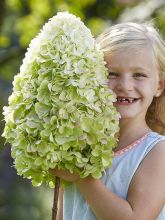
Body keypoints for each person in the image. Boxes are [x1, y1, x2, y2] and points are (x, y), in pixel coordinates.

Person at [50, 22, 165, 220]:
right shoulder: (77, 145)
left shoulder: (156, 152)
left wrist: (82, 176)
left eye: (139, 75)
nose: (125, 85)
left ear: (159, 86)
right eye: (111, 74)